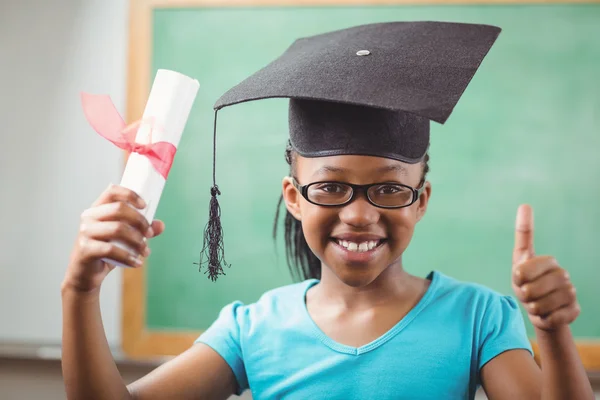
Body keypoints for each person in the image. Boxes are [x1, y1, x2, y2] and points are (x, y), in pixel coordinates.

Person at [61, 21, 593, 399]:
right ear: (294, 197)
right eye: (331, 189)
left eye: (388, 190)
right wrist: (80, 291)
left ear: (422, 200)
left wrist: (551, 330)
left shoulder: (478, 319)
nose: (360, 216)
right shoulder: (253, 329)